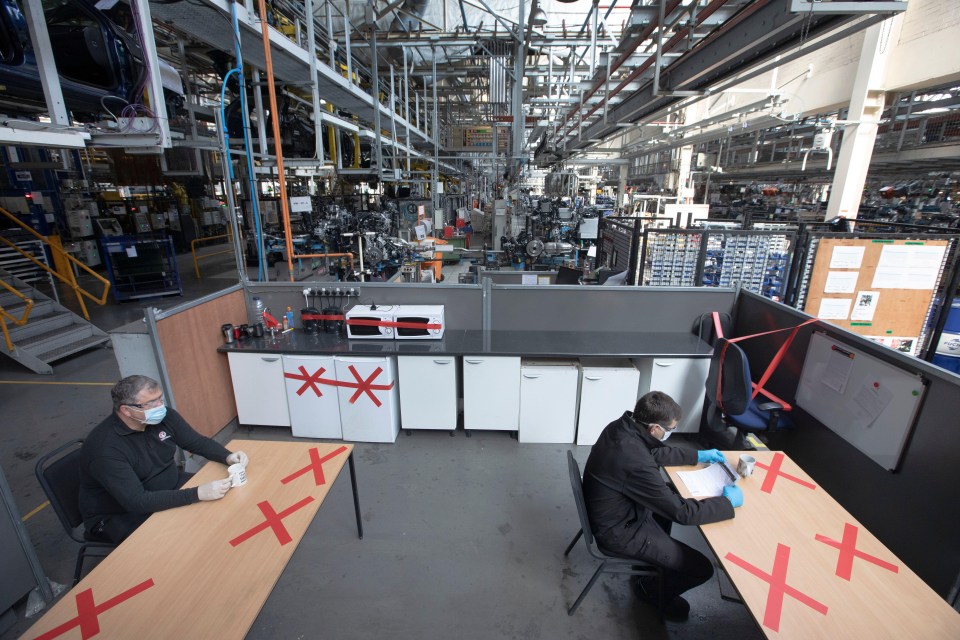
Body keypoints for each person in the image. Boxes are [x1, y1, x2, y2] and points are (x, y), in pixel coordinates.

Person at [582, 390, 743, 622]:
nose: (670, 434)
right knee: (701, 568)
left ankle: (656, 565)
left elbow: (656, 453)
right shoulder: (634, 461)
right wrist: (726, 503)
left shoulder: (621, 427)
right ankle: (650, 590)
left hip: (618, 510)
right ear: (654, 428)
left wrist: (698, 455)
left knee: (668, 493)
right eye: (669, 430)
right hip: (620, 532)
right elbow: (682, 513)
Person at [79, 375, 249, 543]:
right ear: (126, 410)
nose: (160, 406)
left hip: (167, 487)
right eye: (151, 403)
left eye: (160, 398)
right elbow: (137, 502)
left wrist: (227, 456)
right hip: (120, 514)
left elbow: (196, 442)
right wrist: (198, 493)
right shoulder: (105, 449)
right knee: (181, 540)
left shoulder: (164, 417)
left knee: (225, 507)